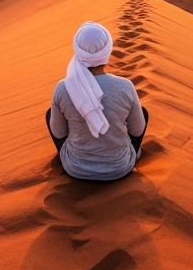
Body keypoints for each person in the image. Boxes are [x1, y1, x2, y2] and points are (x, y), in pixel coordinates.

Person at [46, 21, 148, 181]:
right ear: (108, 51)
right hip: (120, 168)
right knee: (142, 113)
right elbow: (137, 130)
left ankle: (72, 156)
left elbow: (60, 133)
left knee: (50, 114)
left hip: (75, 168)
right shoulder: (125, 86)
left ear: (77, 51)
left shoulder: (63, 87)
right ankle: (130, 154)